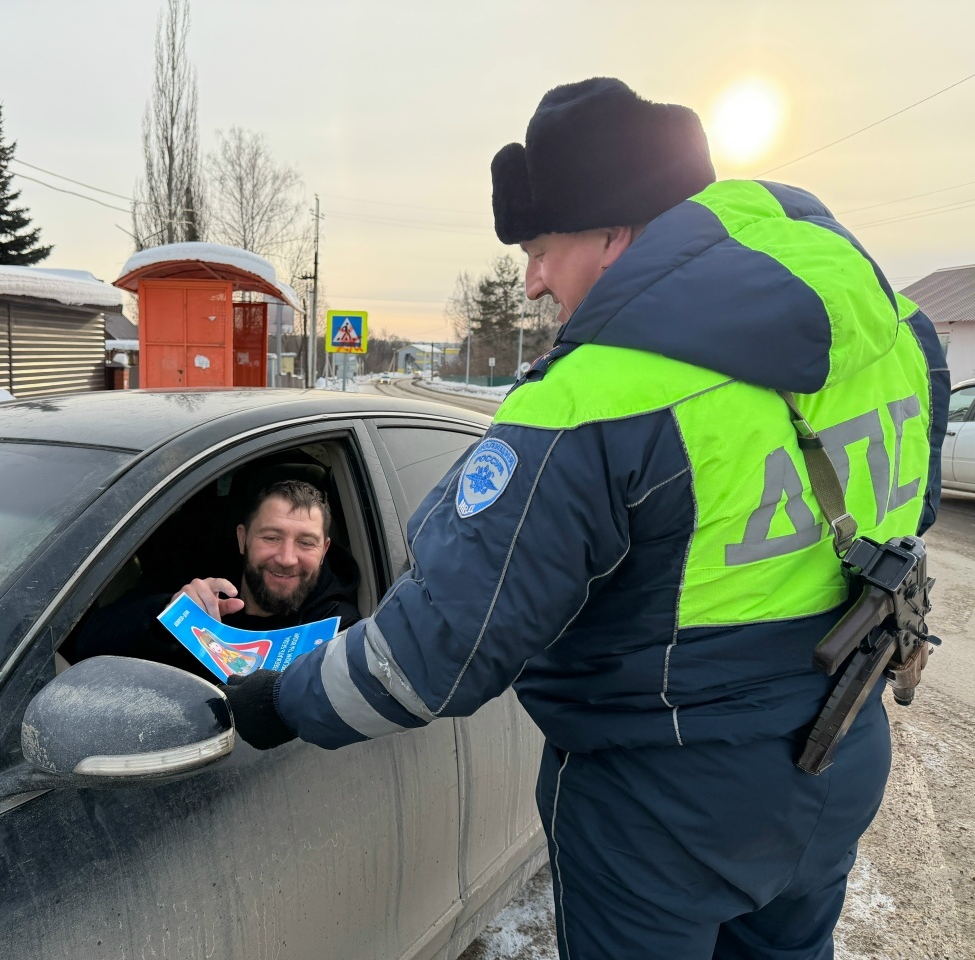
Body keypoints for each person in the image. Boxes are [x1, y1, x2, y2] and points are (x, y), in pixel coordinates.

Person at [223, 78, 949, 959]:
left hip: (662, 807)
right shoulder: (897, 334)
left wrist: (274, 702)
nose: (530, 282)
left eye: (539, 248)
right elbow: (914, 506)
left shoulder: (594, 400)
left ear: (614, 232)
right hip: (839, 754)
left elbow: (435, 652)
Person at [67, 479, 361, 666]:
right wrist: (168, 615)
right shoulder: (197, 579)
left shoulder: (339, 630)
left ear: (323, 551)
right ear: (243, 539)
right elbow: (86, 644)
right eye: (271, 537)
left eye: (305, 543)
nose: (286, 558)